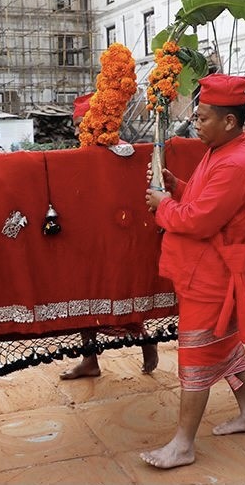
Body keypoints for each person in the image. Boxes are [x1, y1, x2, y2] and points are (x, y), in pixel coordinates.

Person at [142, 75, 245, 469]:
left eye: (203, 116)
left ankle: (183, 444)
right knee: (227, 346)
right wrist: (177, 187)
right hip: (207, 267)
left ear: (229, 122)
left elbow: (199, 221)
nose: (196, 122)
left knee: (195, 357)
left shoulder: (236, 163)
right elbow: (202, 201)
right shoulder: (221, 151)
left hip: (212, 275)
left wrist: (163, 205)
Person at [60, 91, 159, 380]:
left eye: (83, 124)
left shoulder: (124, 151)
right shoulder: (79, 154)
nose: (80, 130)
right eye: (78, 125)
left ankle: (145, 340)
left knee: (121, 296)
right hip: (87, 241)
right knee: (86, 301)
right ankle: (89, 360)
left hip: (118, 240)